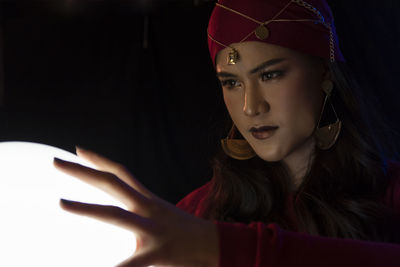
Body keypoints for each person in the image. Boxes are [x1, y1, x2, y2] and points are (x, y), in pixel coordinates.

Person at [54, 0, 400, 266]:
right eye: (232, 83)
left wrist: (219, 246)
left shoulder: (390, 194)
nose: (251, 106)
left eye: (271, 75)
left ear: (324, 74)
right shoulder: (197, 212)